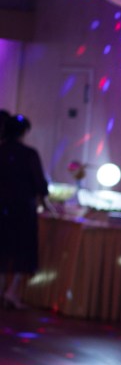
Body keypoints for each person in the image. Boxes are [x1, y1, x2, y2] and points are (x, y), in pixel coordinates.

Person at [0, 113, 49, 309]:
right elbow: (39, 183)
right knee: (22, 249)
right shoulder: (29, 154)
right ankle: (11, 291)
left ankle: (3, 290)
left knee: (3, 247)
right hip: (22, 209)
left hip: (2, 207)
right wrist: (45, 201)